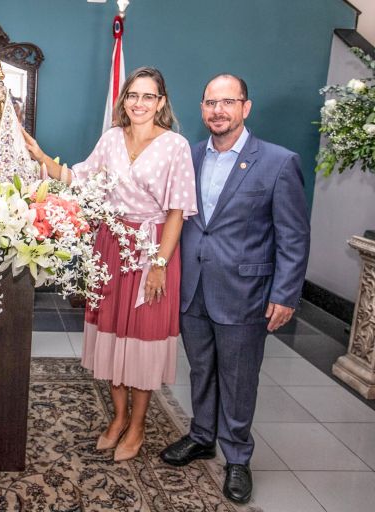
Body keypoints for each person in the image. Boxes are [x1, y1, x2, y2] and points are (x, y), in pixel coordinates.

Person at [23, 67, 197, 462]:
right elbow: (78, 179)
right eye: (133, 95)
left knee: (143, 339)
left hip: (153, 247)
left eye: (148, 96)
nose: (139, 103)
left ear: (161, 102)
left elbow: (177, 212)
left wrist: (159, 264)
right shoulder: (111, 139)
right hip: (111, 245)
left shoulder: (175, 146)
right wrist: (41, 156)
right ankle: (119, 418)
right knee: (113, 333)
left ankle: (138, 425)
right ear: (124, 100)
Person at [159, 74, 310, 504]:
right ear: (202, 108)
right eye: (211, 103)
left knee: (239, 378)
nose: (218, 111)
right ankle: (202, 436)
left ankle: (238, 457)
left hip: (245, 292)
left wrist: (285, 294)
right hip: (192, 288)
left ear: (246, 107)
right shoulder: (187, 156)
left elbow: (294, 236)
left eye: (228, 102)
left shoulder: (278, 162)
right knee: (201, 369)